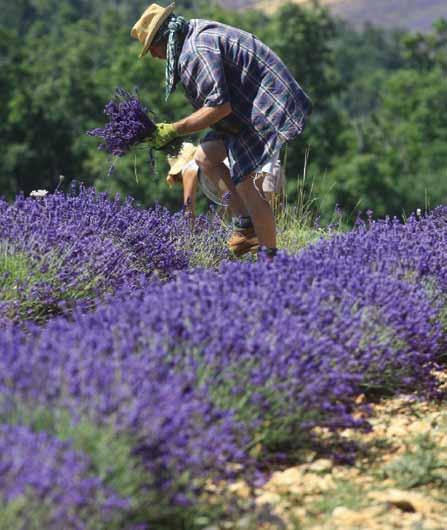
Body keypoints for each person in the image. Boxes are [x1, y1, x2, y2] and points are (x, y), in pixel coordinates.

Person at [131, 2, 311, 258]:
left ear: (164, 39)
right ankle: (246, 226)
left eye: (153, 48)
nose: (154, 56)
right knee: (204, 156)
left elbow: (218, 107)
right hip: (244, 107)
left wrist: (173, 129)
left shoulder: (195, 52)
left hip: (260, 106)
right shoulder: (192, 35)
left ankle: (271, 261)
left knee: (247, 184)